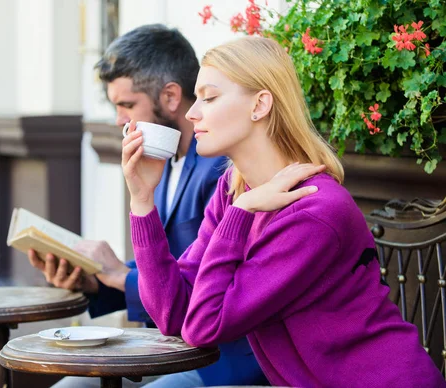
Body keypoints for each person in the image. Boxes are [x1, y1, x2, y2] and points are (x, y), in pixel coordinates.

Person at [121, 35, 446, 387]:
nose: (191, 112)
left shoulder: (314, 210)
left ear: (260, 105)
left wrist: (240, 214)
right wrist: (142, 201)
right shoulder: (233, 191)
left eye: (209, 97)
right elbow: (171, 314)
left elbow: (203, 325)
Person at [27, 25, 267, 387]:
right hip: (172, 344)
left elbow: (204, 283)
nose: (119, 120)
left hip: (219, 359)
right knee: (72, 384)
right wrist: (95, 281)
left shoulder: (220, 170)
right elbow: (174, 265)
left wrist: (120, 276)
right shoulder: (165, 161)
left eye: (126, 105)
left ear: (171, 97)